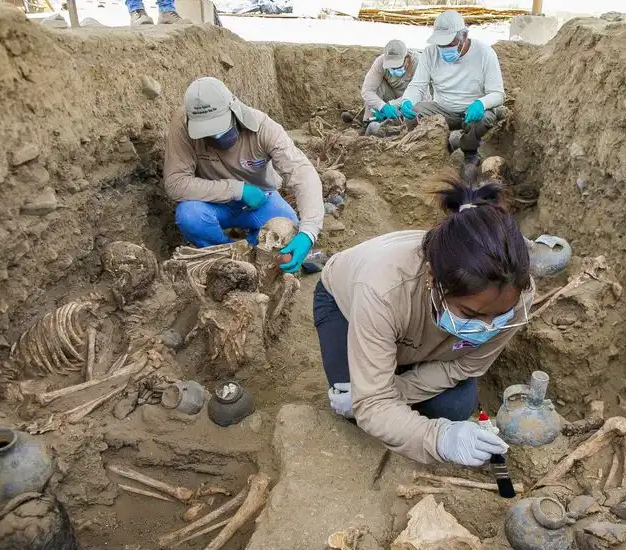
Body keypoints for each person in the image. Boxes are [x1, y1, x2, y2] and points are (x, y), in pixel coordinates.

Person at [313, 180, 534, 466]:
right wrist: (437, 438)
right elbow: (373, 406)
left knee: (454, 407)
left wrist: (395, 391)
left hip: (417, 334)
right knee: (356, 409)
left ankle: (397, 372)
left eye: (499, 316)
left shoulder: (516, 294)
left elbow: (467, 365)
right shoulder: (382, 290)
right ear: (433, 280)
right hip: (344, 304)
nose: (488, 328)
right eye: (470, 315)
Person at [163, 77, 324, 273]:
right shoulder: (183, 125)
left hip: (260, 201)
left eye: (220, 130)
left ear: (234, 110)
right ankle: (225, 255)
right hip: (210, 203)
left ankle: (252, 250)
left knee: (286, 229)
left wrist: (308, 233)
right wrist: (236, 189)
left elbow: (302, 173)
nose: (216, 138)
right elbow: (175, 183)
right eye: (208, 134)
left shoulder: (263, 127)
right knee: (189, 215)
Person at [399, 10, 505, 165]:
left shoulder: (485, 53)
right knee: (413, 114)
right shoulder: (430, 53)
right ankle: (434, 149)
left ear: (464, 36)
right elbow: (417, 85)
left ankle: (469, 151)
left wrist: (481, 104)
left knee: (482, 120)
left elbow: (498, 94)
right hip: (442, 109)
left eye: (450, 44)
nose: (444, 48)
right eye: (440, 44)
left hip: (472, 111)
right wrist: (407, 100)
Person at [355, 40, 427, 135]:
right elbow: (367, 90)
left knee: (413, 119)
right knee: (377, 88)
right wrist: (382, 106)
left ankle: (399, 128)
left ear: (406, 58)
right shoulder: (380, 62)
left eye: (397, 66)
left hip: (411, 101)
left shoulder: (419, 63)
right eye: (391, 67)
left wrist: (391, 104)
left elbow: (422, 94)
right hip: (391, 94)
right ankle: (367, 123)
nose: (394, 70)